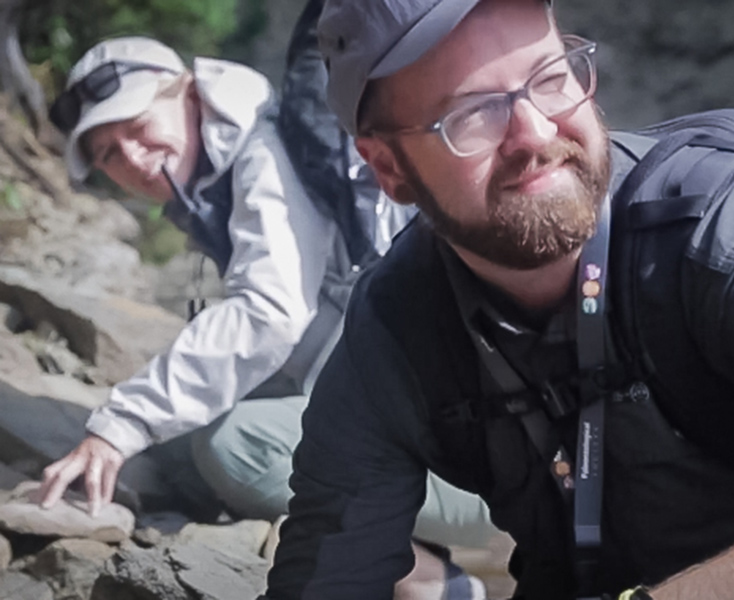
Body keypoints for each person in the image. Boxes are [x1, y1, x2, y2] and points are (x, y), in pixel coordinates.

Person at [261, 0, 734, 598]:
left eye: (549, 76)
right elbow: (327, 575)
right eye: (471, 113)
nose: (535, 133)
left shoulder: (726, 233)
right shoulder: (396, 330)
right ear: (389, 170)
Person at [38, 35, 496, 596]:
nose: (131, 157)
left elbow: (269, 311)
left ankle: (434, 582)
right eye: (108, 152)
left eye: (135, 125)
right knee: (188, 447)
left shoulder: (266, 150)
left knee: (234, 446)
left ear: (188, 89)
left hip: (485, 467)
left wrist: (118, 425)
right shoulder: (219, 178)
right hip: (435, 427)